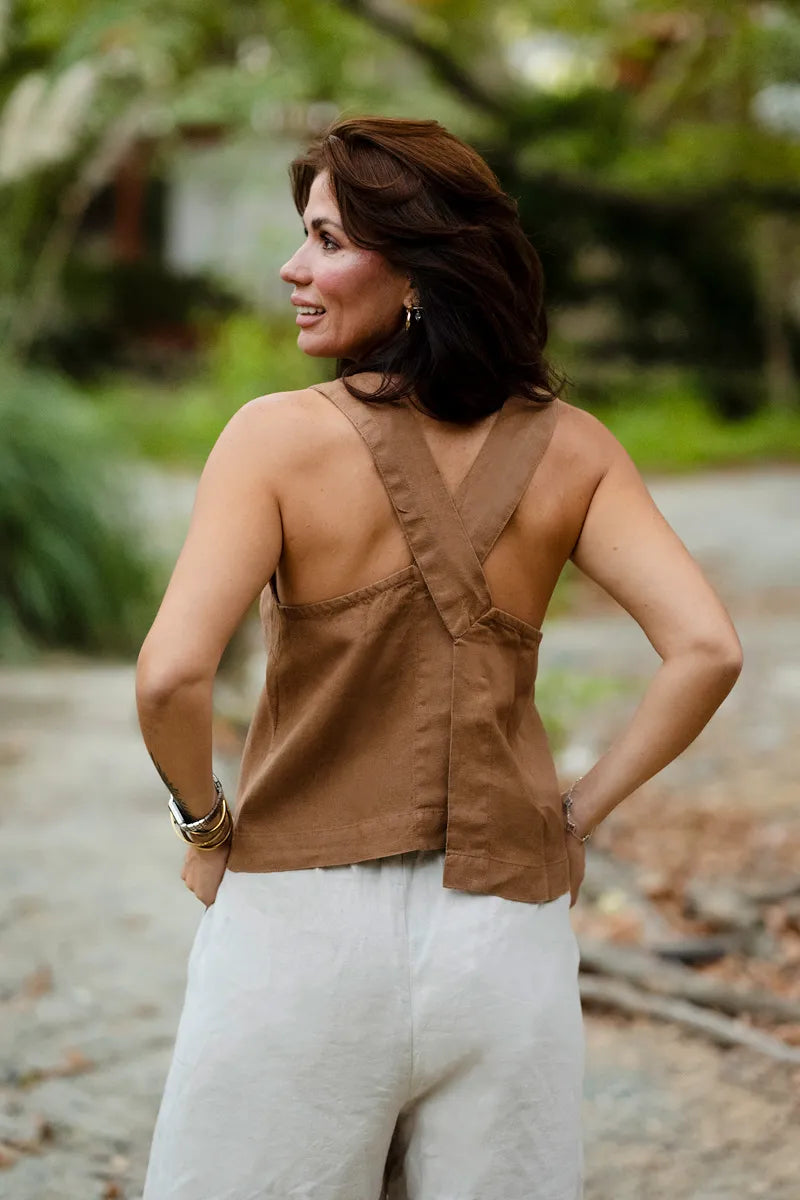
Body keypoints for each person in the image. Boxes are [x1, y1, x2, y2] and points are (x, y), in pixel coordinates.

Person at [135, 116, 743, 1200]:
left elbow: (170, 675)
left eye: (325, 238)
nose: (293, 267)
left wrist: (204, 825)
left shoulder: (272, 439)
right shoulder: (574, 447)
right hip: (502, 939)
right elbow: (704, 650)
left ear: (414, 268)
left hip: (298, 936)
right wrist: (575, 815)